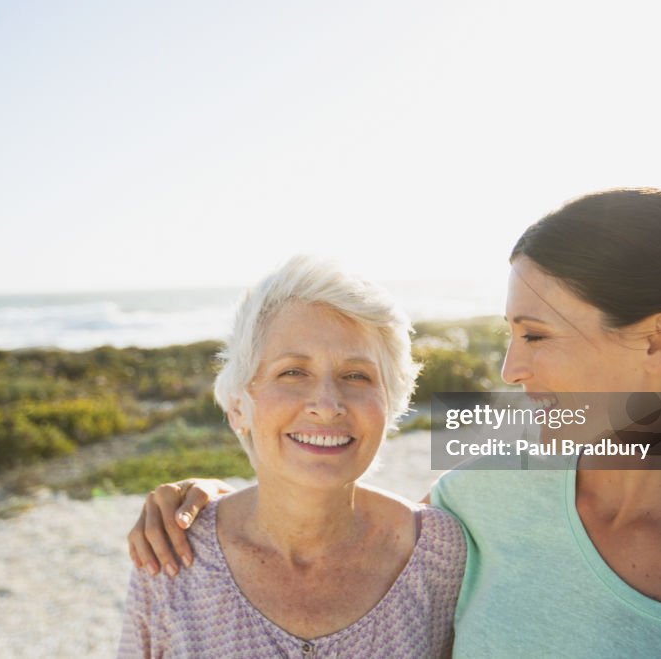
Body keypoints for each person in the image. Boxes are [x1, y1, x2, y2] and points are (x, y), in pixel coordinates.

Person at [128, 189, 661, 656]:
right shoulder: (480, 503)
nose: (510, 370)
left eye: (535, 334)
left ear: (659, 340)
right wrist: (208, 494)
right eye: (508, 335)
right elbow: (327, 508)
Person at [117, 256, 466, 658]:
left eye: (357, 375)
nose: (328, 404)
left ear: (391, 404)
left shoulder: (439, 553)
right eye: (293, 372)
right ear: (238, 405)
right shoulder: (171, 556)